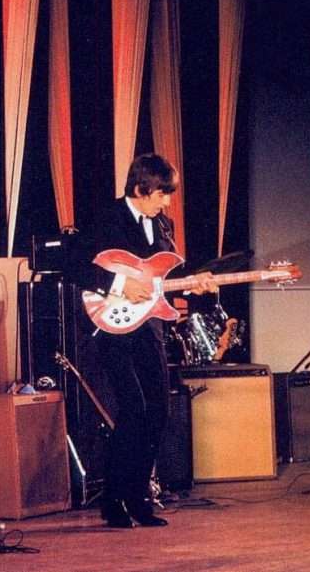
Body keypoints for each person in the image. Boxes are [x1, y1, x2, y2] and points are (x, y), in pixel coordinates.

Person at [68, 153, 215, 528]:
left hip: (149, 327)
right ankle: (113, 499)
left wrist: (198, 286)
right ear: (139, 188)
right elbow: (73, 262)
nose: (167, 201)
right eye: (162, 194)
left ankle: (138, 498)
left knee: (159, 411)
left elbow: (167, 280)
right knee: (132, 409)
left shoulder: (163, 224)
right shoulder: (108, 218)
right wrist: (118, 283)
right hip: (113, 324)